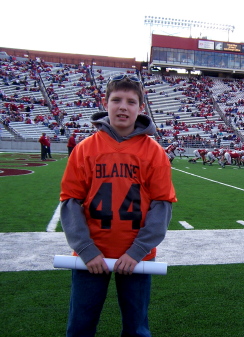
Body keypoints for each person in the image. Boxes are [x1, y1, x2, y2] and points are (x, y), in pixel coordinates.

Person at [60, 73, 177, 337]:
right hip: (90, 256)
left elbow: (161, 205)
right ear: (106, 103)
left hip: (137, 257)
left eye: (131, 101)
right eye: (116, 99)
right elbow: (70, 201)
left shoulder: (154, 151)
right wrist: (87, 249)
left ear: (140, 108)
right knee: (80, 326)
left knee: (136, 329)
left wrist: (136, 251)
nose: (123, 106)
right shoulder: (85, 148)